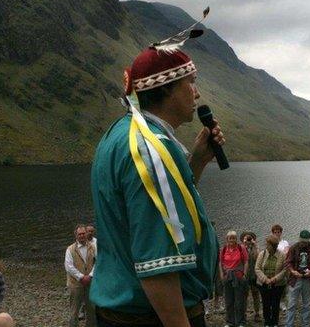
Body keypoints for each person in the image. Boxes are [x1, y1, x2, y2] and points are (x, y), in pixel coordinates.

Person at [90, 23, 223, 326]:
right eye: (191, 82)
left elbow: (156, 214)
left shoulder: (120, 134)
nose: (197, 92)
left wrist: (197, 163)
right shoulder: (151, 151)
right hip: (150, 315)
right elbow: (157, 264)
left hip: (122, 309)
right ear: (167, 88)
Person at [285, 230, 310, 327]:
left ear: (309, 240)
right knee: (291, 304)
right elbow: (288, 262)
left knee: (307, 304)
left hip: (309, 280)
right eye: (302, 241)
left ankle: (305, 324)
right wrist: (293, 271)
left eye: (306, 241)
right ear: (299, 239)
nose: (304, 243)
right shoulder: (293, 248)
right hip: (295, 279)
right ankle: (289, 324)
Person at [65, 224, 96, 327]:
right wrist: (81, 277)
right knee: (74, 309)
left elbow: (98, 262)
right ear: (76, 235)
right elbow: (69, 266)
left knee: (91, 308)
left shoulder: (93, 247)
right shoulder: (70, 249)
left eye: (83, 233)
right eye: (80, 234)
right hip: (75, 284)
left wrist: (90, 275)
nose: (82, 236)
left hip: (90, 282)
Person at [255, 235, 287, 327]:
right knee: (266, 303)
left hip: (278, 284)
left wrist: (275, 279)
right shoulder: (262, 254)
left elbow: (285, 270)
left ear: (273, 245)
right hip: (263, 283)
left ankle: (275, 322)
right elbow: (257, 268)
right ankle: (267, 322)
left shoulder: (282, 255)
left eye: (267, 244)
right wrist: (265, 279)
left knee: (275, 303)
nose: (266, 246)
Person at [220, 231, 249, 327]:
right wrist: (222, 275)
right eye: (230, 238)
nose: (232, 240)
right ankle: (230, 322)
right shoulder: (224, 249)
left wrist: (244, 274)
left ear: (236, 239)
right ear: (227, 239)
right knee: (228, 300)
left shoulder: (241, 248)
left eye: (234, 238)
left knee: (240, 300)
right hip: (227, 276)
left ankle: (241, 322)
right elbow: (220, 263)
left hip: (238, 276)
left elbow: (246, 262)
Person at [241, 231, 261, 323]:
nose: (248, 240)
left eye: (250, 238)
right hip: (244, 276)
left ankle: (257, 313)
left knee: (255, 295)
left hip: (254, 276)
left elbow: (258, 258)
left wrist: (255, 245)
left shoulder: (255, 248)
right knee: (244, 296)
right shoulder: (240, 248)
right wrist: (244, 245)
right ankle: (243, 314)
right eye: (246, 238)